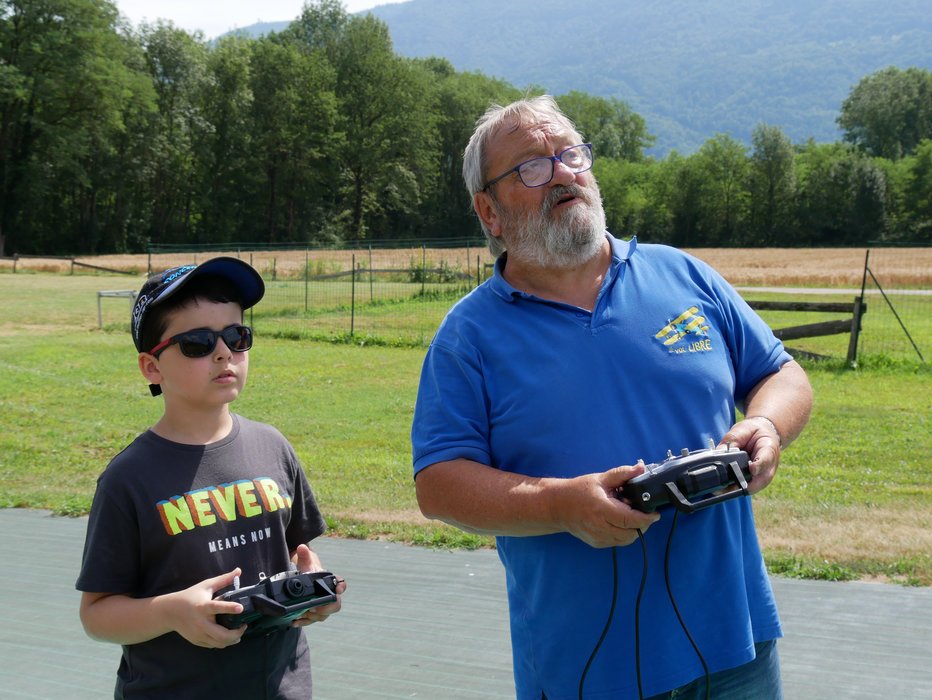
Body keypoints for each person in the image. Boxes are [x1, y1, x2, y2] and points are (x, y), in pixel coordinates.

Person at [411, 95, 813, 700]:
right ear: (489, 211)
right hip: (586, 665)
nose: (562, 173)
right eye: (532, 166)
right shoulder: (468, 336)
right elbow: (438, 483)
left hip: (738, 643)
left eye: (571, 154)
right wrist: (559, 505)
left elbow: (781, 374)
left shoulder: (682, 274)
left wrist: (768, 425)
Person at [76, 257, 345, 699]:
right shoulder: (129, 478)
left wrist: (311, 584)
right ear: (151, 367)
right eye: (197, 343)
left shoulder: (272, 445)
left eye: (237, 336)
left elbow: (298, 552)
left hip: (282, 687)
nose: (224, 353)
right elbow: (96, 615)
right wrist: (171, 612)